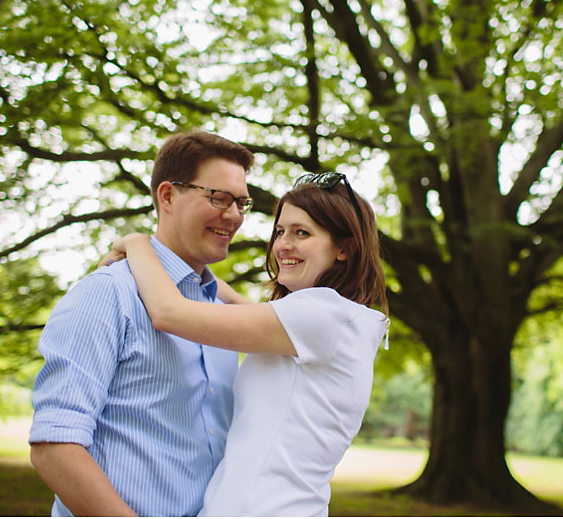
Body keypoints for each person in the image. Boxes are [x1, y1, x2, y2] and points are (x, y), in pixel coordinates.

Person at [101, 172, 390, 516]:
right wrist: (193, 272)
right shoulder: (330, 320)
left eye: (302, 232)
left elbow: (167, 313)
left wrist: (137, 244)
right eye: (280, 231)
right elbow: (244, 309)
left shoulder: (324, 315)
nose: (283, 244)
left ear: (344, 249)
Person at [28, 131, 255, 516]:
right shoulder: (105, 295)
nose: (233, 215)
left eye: (241, 202)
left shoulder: (223, 315)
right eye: (218, 197)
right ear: (166, 196)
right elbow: (54, 447)